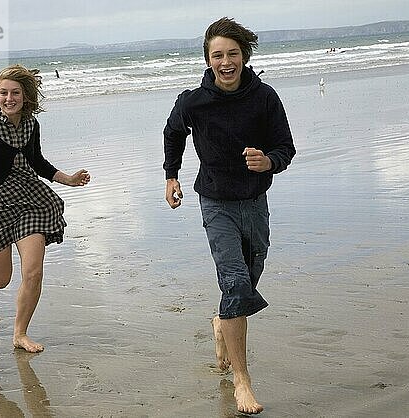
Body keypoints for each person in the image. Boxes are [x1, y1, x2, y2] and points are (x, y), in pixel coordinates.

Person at [163, 17, 295, 414]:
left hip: (255, 202)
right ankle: (242, 381)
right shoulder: (193, 101)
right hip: (215, 202)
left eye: (232, 54)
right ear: (207, 59)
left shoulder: (265, 97)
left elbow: (285, 147)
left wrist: (268, 162)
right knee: (237, 285)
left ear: (244, 56)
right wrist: (171, 175)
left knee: (245, 283)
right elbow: (173, 131)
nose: (225, 62)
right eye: (217, 55)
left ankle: (222, 324)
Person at [0, 64, 90, 353]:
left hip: (30, 203)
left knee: (33, 272)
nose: (9, 98)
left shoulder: (31, 125)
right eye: (3, 93)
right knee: (1, 280)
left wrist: (67, 179)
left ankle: (20, 334)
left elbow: (37, 162)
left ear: (25, 96)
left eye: (15, 92)